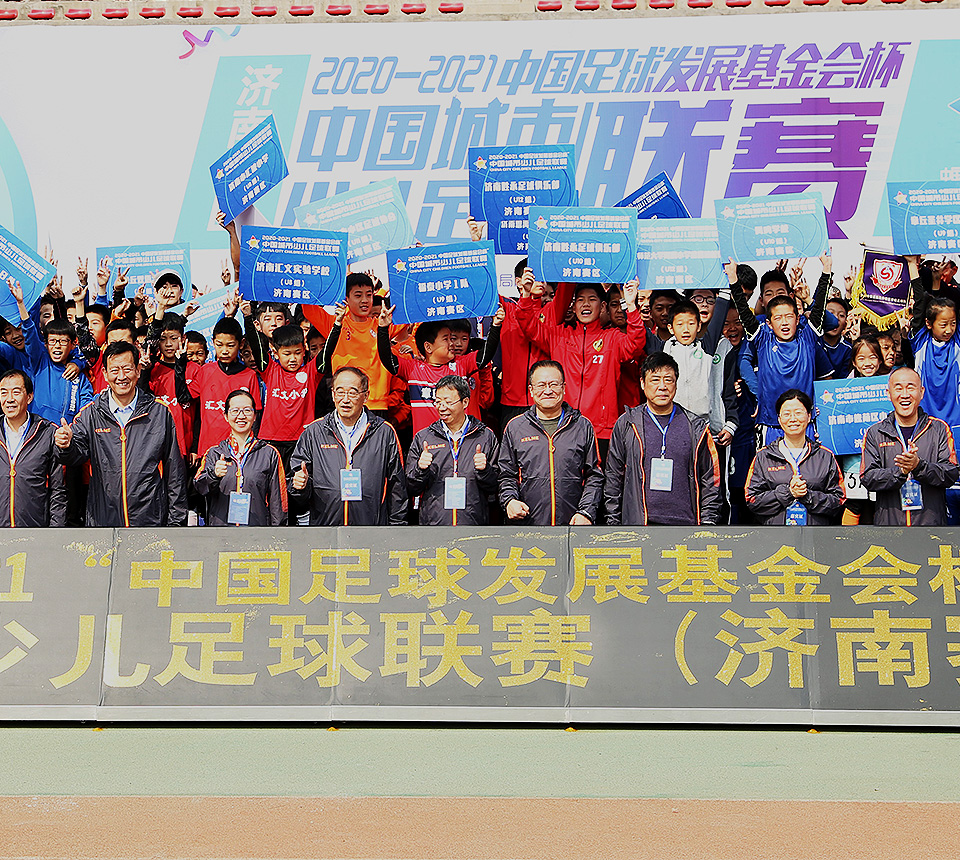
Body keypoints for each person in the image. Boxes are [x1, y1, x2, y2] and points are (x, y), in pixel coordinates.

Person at [54, 341, 187, 527]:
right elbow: (74, 456)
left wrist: (176, 523)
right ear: (105, 374)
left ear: (138, 371)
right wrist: (65, 445)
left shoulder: (159, 413)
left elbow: (175, 472)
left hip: (149, 521)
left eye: (127, 369)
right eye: (115, 370)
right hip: (103, 521)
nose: (121, 376)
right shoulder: (91, 414)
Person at [514, 277, 644, 449]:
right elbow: (529, 326)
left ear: (602, 307)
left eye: (592, 299)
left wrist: (631, 305)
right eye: (580, 300)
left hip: (602, 431)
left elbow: (636, 343)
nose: (586, 304)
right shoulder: (559, 336)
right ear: (574, 307)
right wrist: (525, 294)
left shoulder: (612, 338)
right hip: (565, 427)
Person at [603, 352, 722, 526]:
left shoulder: (695, 426)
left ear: (676, 384)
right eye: (655, 380)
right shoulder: (627, 423)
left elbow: (710, 478)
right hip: (639, 524)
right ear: (642, 383)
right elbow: (613, 476)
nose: (662, 386)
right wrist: (613, 522)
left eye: (668, 380)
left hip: (686, 525)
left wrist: (707, 522)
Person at [728, 255, 834, 446]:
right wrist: (733, 279)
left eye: (789, 317)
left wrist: (826, 270)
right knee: (769, 466)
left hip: (805, 424)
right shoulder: (763, 339)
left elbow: (819, 308)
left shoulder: (807, 337)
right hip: (770, 424)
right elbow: (743, 311)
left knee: (809, 465)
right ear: (769, 323)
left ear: (797, 318)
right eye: (778, 318)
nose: (784, 322)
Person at [289, 366, 408, 526]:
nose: (345, 399)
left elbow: (397, 486)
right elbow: (297, 484)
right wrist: (300, 486)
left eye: (352, 393)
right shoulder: (314, 432)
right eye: (340, 392)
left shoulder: (384, 432)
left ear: (366, 396)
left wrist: (396, 528)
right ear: (333, 395)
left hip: (371, 526)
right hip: (326, 528)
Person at [496, 360, 603, 526]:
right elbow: (506, 474)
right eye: (541, 385)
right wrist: (509, 501)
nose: (547, 391)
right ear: (531, 390)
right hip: (528, 523)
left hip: (574, 523)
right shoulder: (515, 427)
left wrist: (586, 512)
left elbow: (594, 476)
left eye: (554, 384)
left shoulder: (582, 426)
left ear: (564, 388)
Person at [376, 307, 502, 436]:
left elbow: (486, 354)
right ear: (428, 347)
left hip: (460, 443)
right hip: (426, 445)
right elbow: (387, 358)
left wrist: (496, 326)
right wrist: (383, 328)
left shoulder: (462, 365)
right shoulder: (412, 369)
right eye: (446, 339)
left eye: (451, 338)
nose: (452, 343)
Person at [860, 367, 959, 526]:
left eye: (911, 387)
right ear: (888, 393)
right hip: (889, 527)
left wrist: (919, 466)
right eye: (898, 388)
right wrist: (900, 471)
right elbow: (868, 478)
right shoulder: (875, 432)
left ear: (921, 392)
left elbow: (951, 473)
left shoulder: (939, 429)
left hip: (930, 527)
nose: (905, 394)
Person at [405, 375, 499, 526]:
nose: (442, 408)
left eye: (448, 402)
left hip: (473, 524)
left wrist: (484, 470)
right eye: (438, 402)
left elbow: (496, 487)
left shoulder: (485, 436)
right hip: (435, 524)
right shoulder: (424, 438)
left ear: (465, 402)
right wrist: (420, 469)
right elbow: (410, 488)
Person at [745, 389, 844, 525]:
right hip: (775, 535)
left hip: (815, 534)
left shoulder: (825, 456)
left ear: (809, 416)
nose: (793, 419)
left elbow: (839, 500)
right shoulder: (764, 456)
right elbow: (752, 500)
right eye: (786, 414)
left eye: (798, 413)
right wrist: (788, 492)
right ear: (779, 419)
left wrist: (808, 496)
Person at [195, 389, 287, 526]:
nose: (241, 416)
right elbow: (200, 487)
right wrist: (214, 474)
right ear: (226, 416)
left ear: (255, 416)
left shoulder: (269, 454)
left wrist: (277, 533)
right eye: (235, 410)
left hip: (256, 532)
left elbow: (278, 502)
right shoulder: (214, 453)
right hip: (221, 532)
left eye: (247, 410)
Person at [10, 279, 93, 425]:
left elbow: (87, 410)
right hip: (37, 432)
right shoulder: (39, 362)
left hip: (66, 434)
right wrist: (21, 304)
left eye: (63, 341)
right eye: (53, 341)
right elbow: (30, 334)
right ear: (46, 344)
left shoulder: (80, 378)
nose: (57, 346)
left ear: (73, 344)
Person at [181, 316, 262, 456]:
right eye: (219, 345)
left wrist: (251, 449)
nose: (225, 350)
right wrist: (180, 362)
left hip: (239, 451)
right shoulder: (205, 371)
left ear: (241, 344)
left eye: (230, 345)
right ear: (213, 342)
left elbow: (255, 416)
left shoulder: (250, 376)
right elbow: (185, 398)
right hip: (207, 449)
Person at [0, 369, 66, 527]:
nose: (9, 399)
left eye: (16, 392)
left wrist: (55, 532)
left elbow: (58, 489)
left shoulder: (47, 433)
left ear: (29, 397)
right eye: (3, 393)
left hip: (35, 530)